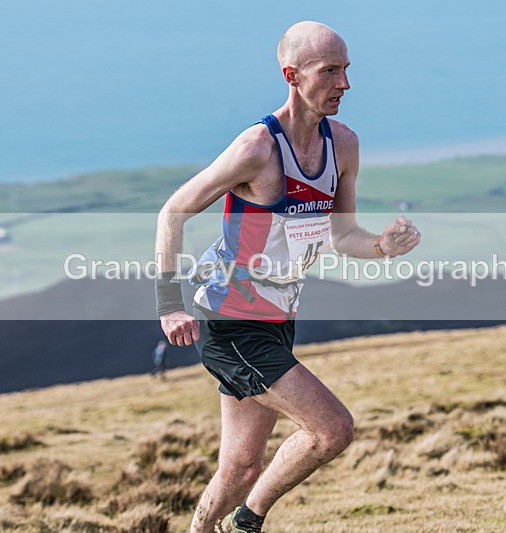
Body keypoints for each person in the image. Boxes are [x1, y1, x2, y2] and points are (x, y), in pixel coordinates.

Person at [154, 21, 421, 533]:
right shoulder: (257, 148)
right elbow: (173, 211)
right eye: (330, 71)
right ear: (291, 76)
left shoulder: (343, 145)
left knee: (239, 469)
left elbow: (343, 236)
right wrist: (169, 304)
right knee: (332, 429)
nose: (345, 83)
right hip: (228, 320)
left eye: (346, 69)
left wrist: (384, 246)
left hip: (277, 320)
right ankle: (246, 523)